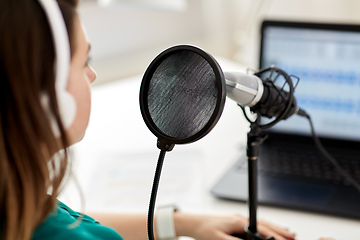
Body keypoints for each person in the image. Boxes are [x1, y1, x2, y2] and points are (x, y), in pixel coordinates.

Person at [0, 0, 329, 240]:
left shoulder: (14, 195)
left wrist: (181, 223)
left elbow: (66, 219)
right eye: (83, 61)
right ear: (47, 95)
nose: (93, 74)